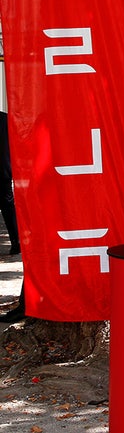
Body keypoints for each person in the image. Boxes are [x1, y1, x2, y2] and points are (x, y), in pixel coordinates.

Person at [0, 111, 25, 323]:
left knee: (8, 206)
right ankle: (16, 241)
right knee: (8, 206)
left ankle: (16, 240)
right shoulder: (5, 119)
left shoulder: (6, 119)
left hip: (4, 171)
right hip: (5, 171)